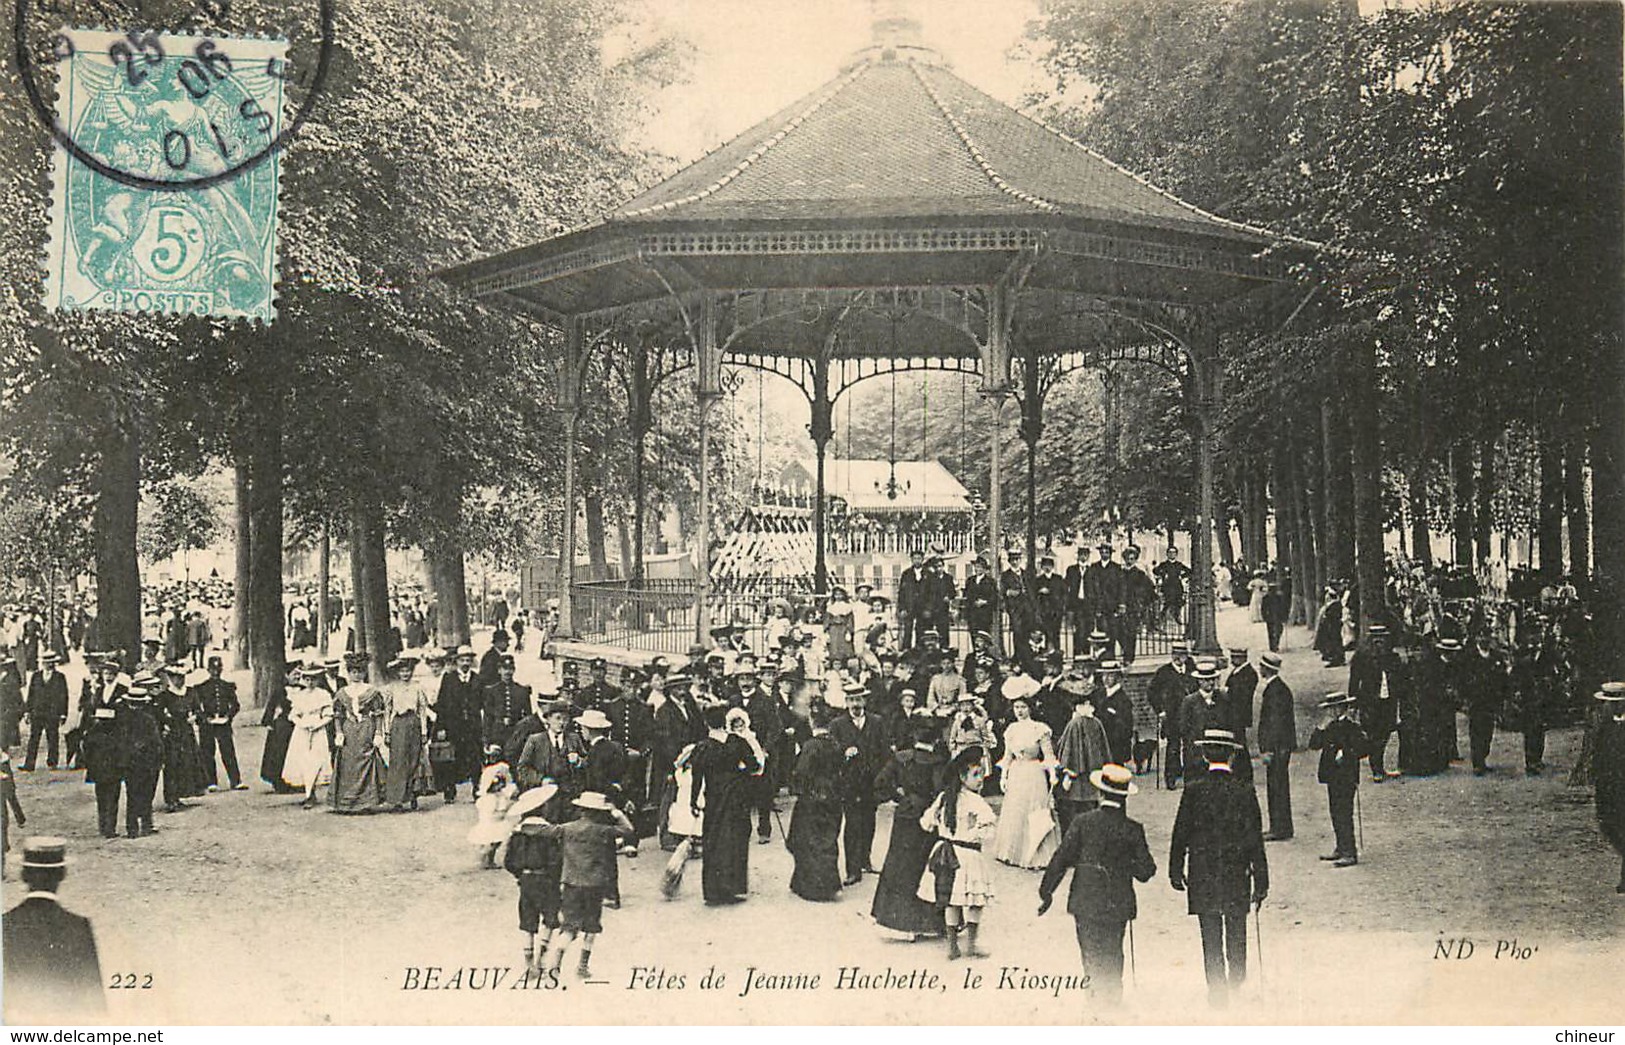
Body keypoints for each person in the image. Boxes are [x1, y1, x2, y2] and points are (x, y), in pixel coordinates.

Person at [1038, 763, 1156, 1006]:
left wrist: (1046, 892)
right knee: (1114, 950)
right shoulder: (1133, 829)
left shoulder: (1083, 822)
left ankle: (1094, 998)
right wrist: (1127, 863)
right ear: (1124, 796)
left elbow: (1061, 858)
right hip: (1118, 901)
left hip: (1085, 898)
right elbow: (1146, 871)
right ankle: (1113, 998)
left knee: (1090, 950)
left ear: (1100, 793)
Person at [1168, 727, 1268, 1009]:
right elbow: (1255, 839)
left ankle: (1216, 990)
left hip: (1203, 872)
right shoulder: (1244, 791)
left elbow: (1180, 834)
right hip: (1236, 871)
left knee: (1209, 930)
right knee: (1237, 924)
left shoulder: (1193, 791)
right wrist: (1262, 881)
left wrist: (1175, 870)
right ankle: (1237, 980)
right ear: (1232, 757)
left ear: (1203, 754)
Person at [529, 791, 635, 978]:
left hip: (571, 883)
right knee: (591, 927)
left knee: (569, 927)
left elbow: (543, 831)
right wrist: (617, 813)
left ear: (581, 810)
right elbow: (628, 830)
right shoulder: (603, 830)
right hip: (595, 885)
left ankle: (557, 958)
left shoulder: (567, 828)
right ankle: (582, 967)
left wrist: (522, 826)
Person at [2, 838, 105, 1021]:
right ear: (62, 874)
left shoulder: (5, 924)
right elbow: (95, 1005)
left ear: (24, 875)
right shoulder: (78, 927)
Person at [917, 745, 997, 960]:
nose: (981, 779)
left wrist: (943, 829)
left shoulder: (944, 797)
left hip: (945, 851)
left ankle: (953, 947)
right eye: (976, 775)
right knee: (974, 901)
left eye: (981, 774)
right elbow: (989, 828)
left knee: (952, 900)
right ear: (962, 777)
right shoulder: (975, 801)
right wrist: (973, 832)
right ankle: (970, 945)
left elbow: (925, 822)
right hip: (967, 855)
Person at [872, 718, 948, 938]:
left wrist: (900, 796)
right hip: (929, 819)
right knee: (924, 867)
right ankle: (928, 922)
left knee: (899, 865)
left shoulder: (900, 758)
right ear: (935, 739)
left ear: (914, 736)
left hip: (905, 816)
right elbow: (942, 792)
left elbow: (880, 783)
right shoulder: (939, 762)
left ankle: (895, 920)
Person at [690, 704, 762, 904]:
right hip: (736, 799)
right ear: (725, 722)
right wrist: (739, 771)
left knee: (713, 841)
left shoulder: (702, 747)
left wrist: (693, 802)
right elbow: (754, 766)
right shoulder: (737, 742)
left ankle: (713, 891)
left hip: (714, 799)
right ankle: (733, 888)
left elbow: (697, 777)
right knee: (735, 840)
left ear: (706, 724)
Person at [831, 686, 890, 886]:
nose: (855, 704)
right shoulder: (837, 724)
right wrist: (843, 753)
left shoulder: (877, 722)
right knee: (853, 825)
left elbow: (885, 752)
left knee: (869, 823)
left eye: (859, 700)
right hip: (850, 784)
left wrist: (883, 779)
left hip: (871, 783)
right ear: (846, 702)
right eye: (851, 700)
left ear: (864, 701)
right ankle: (852, 869)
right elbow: (830, 750)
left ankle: (865, 859)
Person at [992, 694, 1058, 869]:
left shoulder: (1039, 728)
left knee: (1034, 810)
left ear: (1030, 708)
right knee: (1016, 810)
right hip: (1016, 773)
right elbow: (1007, 756)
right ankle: (1012, 852)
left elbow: (1049, 756)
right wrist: (1003, 775)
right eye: (1016, 708)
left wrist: (1052, 774)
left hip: (1034, 772)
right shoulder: (1011, 729)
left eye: (1023, 707)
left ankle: (1036, 855)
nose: (1019, 711)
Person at [504, 783, 564, 973]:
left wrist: (520, 875)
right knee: (550, 919)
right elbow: (556, 861)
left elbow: (509, 862)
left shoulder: (517, 834)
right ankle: (540, 957)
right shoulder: (549, 833)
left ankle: (529, 963)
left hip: (526, 882)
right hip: (546, 880)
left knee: (528, 923)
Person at [787, 703, 844, 901]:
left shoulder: (810, 746)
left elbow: (801, 772)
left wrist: (796, 786)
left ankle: (812, 887)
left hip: (812, 797)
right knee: (827, 839)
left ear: (812, 721)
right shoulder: (835, 744)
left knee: (808, 839)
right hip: (833, 796)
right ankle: (829, 885)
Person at [1308, 692, 1367, 867]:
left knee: (1344, 813)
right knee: (1335, 812)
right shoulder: (1329, 726)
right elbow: (1314, 744)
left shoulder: (1352, 727)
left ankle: (1350, 852)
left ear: (1340, 708)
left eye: (1332, 708)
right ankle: (1341, 847)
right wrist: (1320, 727)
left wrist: (1346, 753)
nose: (1329, 712)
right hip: (1332, 775)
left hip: (1346, 776)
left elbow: (1363, 748)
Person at [331, 655, 389, 814]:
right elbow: (337, 715)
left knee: (366, 761)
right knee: (348, 763)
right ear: (348, 673)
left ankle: (366, 801)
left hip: (366, 728)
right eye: (353, 672)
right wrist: (338, 732)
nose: (356, 675)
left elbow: (378, 714)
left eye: (360, 672)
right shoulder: (342, 693)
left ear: (365, 673)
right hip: (349, 729)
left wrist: (378, 733)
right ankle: (347, 802)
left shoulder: (372, 691)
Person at [1053, 675, 1110, 834]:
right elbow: (1104, 752)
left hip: (1076, 782)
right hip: (1093, 779)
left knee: (1073, 817)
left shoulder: (1075, 724)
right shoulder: (1096, 722)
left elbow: (1067, 752)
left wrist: (1067, 773)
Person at [1254, 652, 1297, 841]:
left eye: (1261, 667)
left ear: (1266, 669)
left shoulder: (1275, 691)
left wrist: (1268, 749)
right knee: (1277, 785)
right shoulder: (1278, 688)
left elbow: (1275, 724)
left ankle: (1279, 828)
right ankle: (1280, 826)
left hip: (1278, 747)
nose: (1260, 669)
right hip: (1281, 746)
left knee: (1277, 786)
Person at [117, 673, 164, 838]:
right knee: (146, 793)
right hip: (146, 762)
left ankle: (134, 827)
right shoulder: (148, 719)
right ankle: (144, 823)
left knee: (133, 794)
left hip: (130, 762)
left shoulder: (123, 718)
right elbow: (156, 742)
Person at [382, 655, 429, 813]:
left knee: (414, 759)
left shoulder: (418, 687)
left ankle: (412, 794)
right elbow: (387, 711)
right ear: (397, 673)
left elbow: (422, 710)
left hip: (413, 723)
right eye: (402, 671)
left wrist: (424, 731)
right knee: (398, 761)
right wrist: (387, 731)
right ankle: (397, 800)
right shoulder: (392, 688)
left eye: (408, 671)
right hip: (398, 724)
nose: (405, 674)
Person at [436, 646, 484, 802]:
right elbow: (442, 704)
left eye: (468, 660)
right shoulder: (448, 679)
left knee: (475, 757)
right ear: (456, 661)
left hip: (473, 725)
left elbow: (483, 703)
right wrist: (441, 727)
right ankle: (450, 790)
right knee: (452, 758)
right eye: (462, 660)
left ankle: (477, 789)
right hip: (453, 725)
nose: (465, 663)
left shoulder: (477, 679)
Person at [157, 664, 207, 811]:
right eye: (176, 678)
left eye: (182, 677)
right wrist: (166, 723)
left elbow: (198, 710)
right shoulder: (165, 695)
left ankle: (181, 794)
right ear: (171, 679)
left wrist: (195, 716)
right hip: (172, 734)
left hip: (187, 732)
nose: (179, 681)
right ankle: (171, 798)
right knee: (172, 764)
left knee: (187, 762)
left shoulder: (191, 692)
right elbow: (159, 714)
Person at [192, 655, 246, 791]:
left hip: (223, 723)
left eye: (218, 669)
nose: (216, 672)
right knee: (207, 752)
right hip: (208, 725)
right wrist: (205, 718)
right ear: (208, 670)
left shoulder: (227, 687)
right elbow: (196, 708)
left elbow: (235, 705)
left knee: (228, 751)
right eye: (213, 669)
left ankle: (236, 780)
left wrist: (228, 716)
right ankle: (211, 782)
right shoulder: (201, 688)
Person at [1590, 682, 1625, 894]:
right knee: (1609, 826)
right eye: (1609, 704)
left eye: (1616, 704)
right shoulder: (1604, 725)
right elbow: (1598, 753)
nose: (1612, 707)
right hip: (1607, 786)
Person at [285, 667, 335, 809]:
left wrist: (318, 724)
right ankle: (308, 793)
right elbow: (293, 714)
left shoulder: (323, 694)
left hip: (318, 730)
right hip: (302, 731)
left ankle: (310, 793)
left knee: (316, 760)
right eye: (307, 679)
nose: (310, 682)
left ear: (318, 680)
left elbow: (328, 714)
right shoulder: (300, 695)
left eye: (313, 679)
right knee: (303, 760)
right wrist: (301, 724)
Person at [1148, 642, 1196, 789]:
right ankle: (1171, 778)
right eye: (1175, 654)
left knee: (1190, 746)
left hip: (1190, 715)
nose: (1178, 658)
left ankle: (1190, 777)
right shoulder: (1164, 672)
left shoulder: (1192, 671)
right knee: (1173, 746)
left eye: (1181, 655)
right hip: (1172, 716)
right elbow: (1152, 692)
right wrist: (1160, 711)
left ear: (1186, 656)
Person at [79, 707, 124, 838]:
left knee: (102, 800)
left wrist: (90, 766)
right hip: (113, 771)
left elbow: (85, 751)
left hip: (98, 772)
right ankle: (110, 828)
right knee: (112, 800)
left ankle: (103, 826)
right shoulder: (117, 733)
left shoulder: (91, 733)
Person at [1466, 634, 1508, 776]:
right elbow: (1463, 678)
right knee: (1476, 731)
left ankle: (1483, 757)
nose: (1484, 640)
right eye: (1481, 637)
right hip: (1476, 700)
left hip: (1491, 699)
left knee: (1488, 731)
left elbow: (1502, 677)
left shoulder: (1495, 656)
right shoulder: (1471, 657)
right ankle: (1477, 763)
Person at [21, 651, 68, 771]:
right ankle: (29, 764)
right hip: (37, 712)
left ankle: (52, 762)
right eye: (45, 663)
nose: (47, 665)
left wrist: (63, 714)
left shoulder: (60, 677)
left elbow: (64, 696)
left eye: (50, 663)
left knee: (52, 737)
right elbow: (30, 695)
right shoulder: (36, 676)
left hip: (53, 713)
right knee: (33, 738)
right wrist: (27, 711)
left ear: (54, 663)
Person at [469, 761, 519, 869]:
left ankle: (489, 860)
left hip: (495, 823)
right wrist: (503, 811)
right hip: (492, 823)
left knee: (495, 842)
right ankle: (485, 860)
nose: (500, 787)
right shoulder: (490, 799)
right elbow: (493, 811)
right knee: (491, 842)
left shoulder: (499, 796)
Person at [1260, 580, 1289, 653]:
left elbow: (1283, 607)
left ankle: (1275, 645)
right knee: (1271, 632)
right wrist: (1264, 617)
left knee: (1278, 630)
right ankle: (1273, 647)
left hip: (1278, 617)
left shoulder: (1279, 597)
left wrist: (1284, 616)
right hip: (1270, 617)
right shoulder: (1266, 598)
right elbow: (1263, 609)